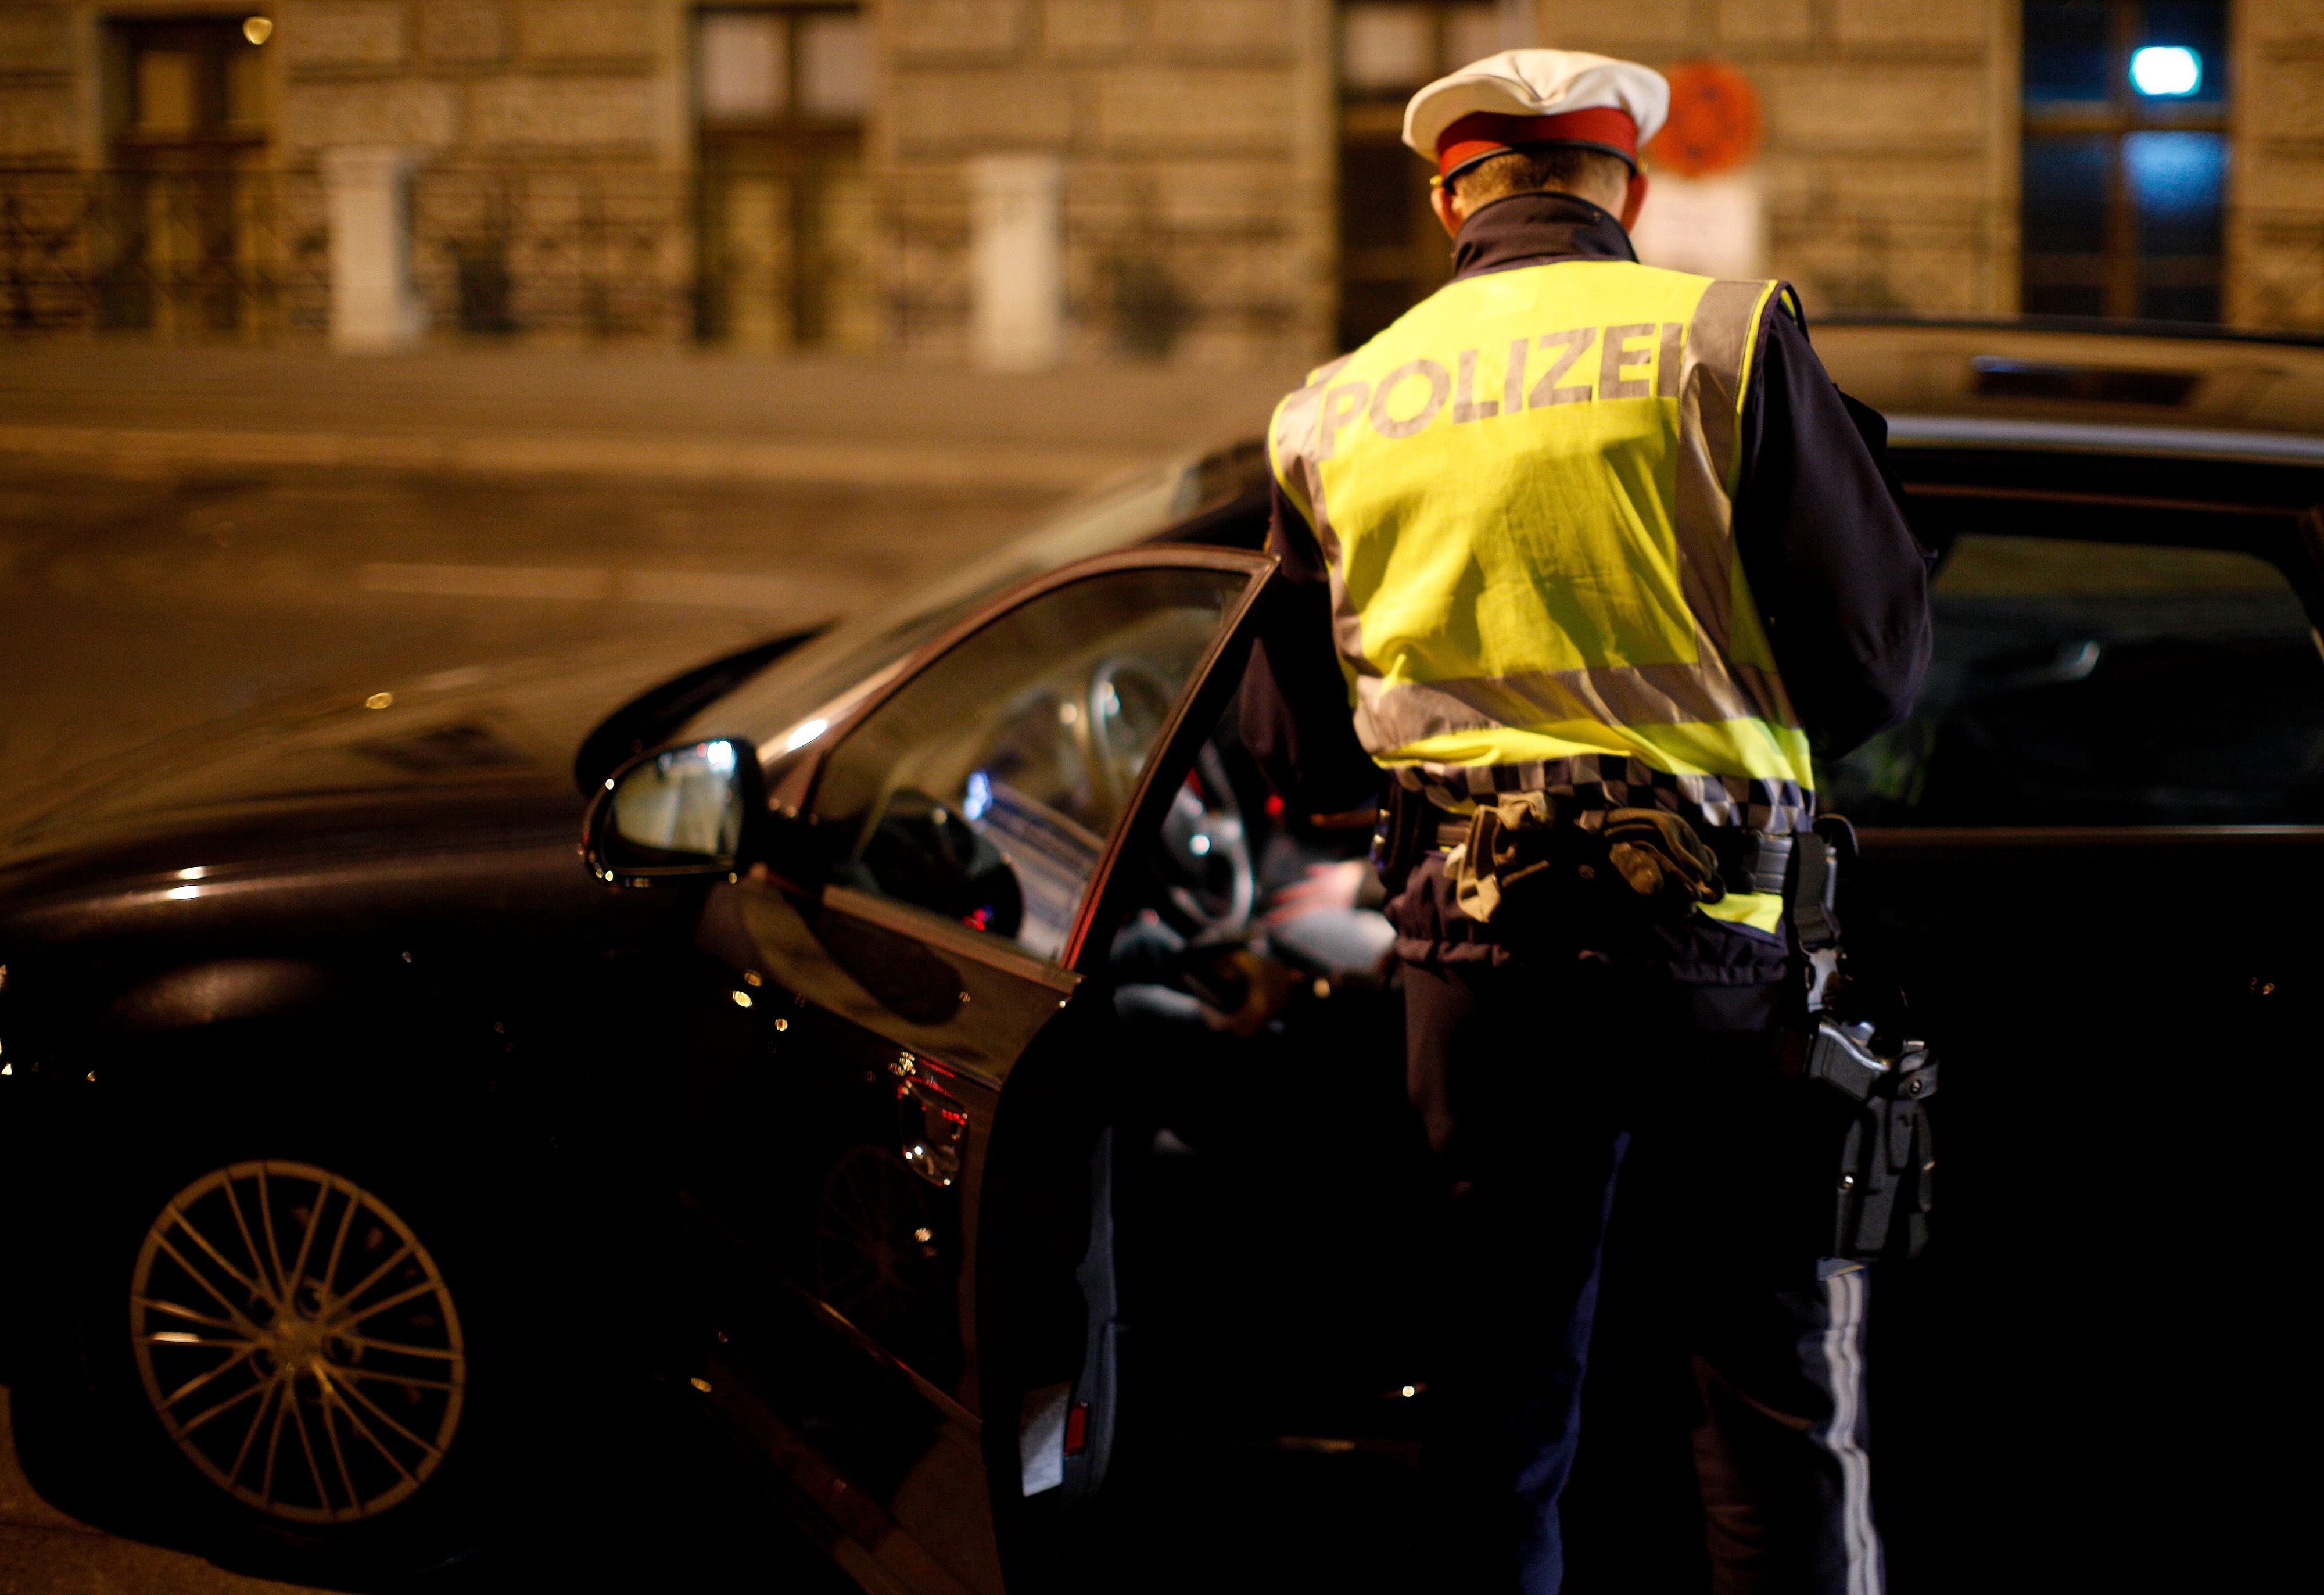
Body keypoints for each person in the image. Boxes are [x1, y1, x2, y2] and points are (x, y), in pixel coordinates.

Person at [1239, 48, 1933, 1595]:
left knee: (1494, 1411)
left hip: (1473, 973)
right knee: (1774, 1410)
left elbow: (1289, 743)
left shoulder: (1335, 405)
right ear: (1627, 185)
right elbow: (1877, 667)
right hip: (1726, 955)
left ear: (1449, 195)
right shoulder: (1723, 338)